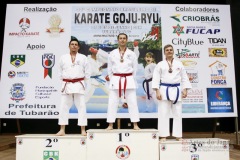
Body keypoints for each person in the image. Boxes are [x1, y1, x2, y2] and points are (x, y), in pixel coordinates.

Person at [152, 44, 192, 142]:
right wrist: (157, 90)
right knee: (163, 113)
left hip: (177, 89)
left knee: (177, 113)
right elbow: (156, 78)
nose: (169, 51)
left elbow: (184, 77)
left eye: (171, 50)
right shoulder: (160, 64)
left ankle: (178, 135)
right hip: (164, 89)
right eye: (167, 50)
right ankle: (163, 135)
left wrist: (185, 89)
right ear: (164, 52)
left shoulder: (179, 64)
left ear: (173, 51)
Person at [56, 38, 91, 136]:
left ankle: (83, 130)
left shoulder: (83, 57)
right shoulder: (63, 57)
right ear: (69, 46)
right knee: (63, 107)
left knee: (82, 107)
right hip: (67, 84)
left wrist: (84, 83)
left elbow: (87, 73)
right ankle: (62, 129)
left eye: (76, 44)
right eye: (72, 44)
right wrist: (63, 82)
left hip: (79, 84)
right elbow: (59, 72)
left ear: (78, 47)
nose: (74, 46)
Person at [106, 33, 140, 130]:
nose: (122, 40)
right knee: (112, 102)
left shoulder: (132, 54)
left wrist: (130, 79)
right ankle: (110, 124)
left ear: (127, 40)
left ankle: (135, 124)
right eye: (120, 38)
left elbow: (135, 69)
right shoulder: (112, 53)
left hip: (128, 79)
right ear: (118, 40)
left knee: (132, 102)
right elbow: (109, 69)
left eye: (124, 38)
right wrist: (113, 79)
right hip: (115, 79)